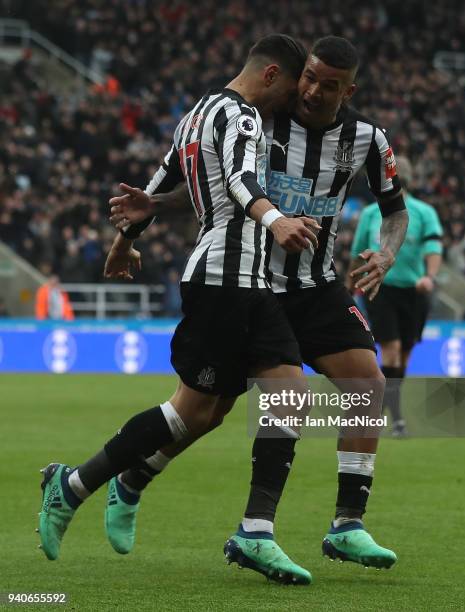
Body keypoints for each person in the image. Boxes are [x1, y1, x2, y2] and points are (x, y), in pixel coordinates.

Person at [108, 36, 408, 571]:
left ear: (350, 90)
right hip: (252, 283)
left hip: (316, 286)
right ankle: (133, 477)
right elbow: (204, 189)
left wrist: (385, 255)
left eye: (329, 86)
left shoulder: (368, 138)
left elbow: (395, 210)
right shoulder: (260, 120)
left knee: (369, 383)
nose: (313, 91)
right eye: (309, 77)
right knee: (206, 412)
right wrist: (149, 208)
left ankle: (345, 525)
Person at [38, 34, 321, 585]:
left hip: (249, 283)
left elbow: (156, 187)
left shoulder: (197, 115)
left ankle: (256, 532)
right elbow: (239, 183)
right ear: (269, 76)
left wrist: (125, 239)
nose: (293, 101)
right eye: (291, 88)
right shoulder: (241, 117)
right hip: (222, 280)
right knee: (189, 413)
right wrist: (275, 220)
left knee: (283, 393)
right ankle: (71, 485)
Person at [348, 156, 443, 436]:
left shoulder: (424, 212)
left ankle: (385, 411)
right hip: (381, 289)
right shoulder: (369, 214)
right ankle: (397, 420)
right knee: (390, 349)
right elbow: (357, 254)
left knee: (403, 356)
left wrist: (430, 277)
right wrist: (348, 285)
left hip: (414, 292)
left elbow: (433, 248)